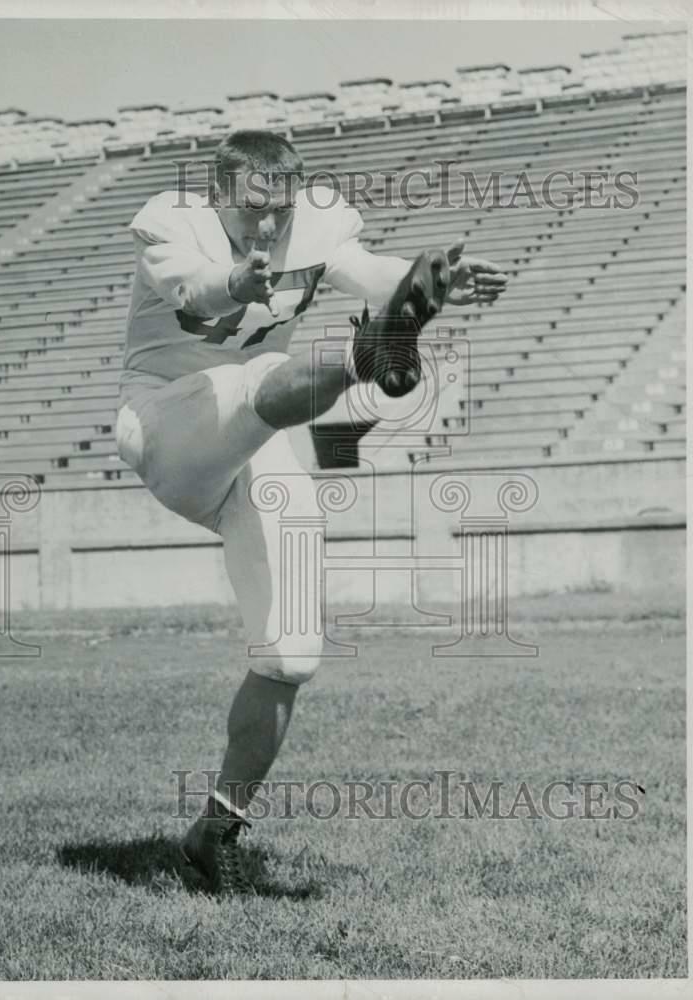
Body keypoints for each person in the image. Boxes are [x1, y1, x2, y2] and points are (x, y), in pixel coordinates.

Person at [115, 129, 508, 893]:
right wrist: (239, 279)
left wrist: (425, 282)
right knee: (260, 371)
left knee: (291, 654)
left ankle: (216, 830)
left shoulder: (315, 220)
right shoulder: (173, 217)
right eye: (252, 212)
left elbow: (364, 267)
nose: (268, 227)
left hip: (258, 439)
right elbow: (192, 290)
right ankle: (370, 355)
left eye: (280, 211)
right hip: (168, 417)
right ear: (220, 192)